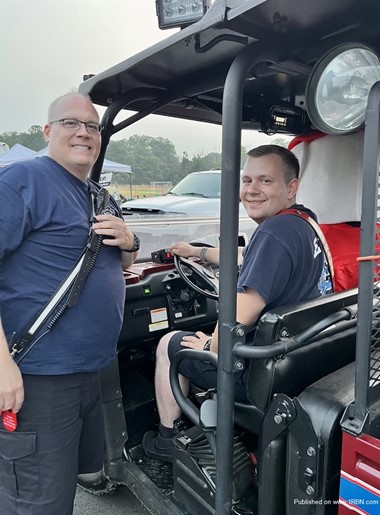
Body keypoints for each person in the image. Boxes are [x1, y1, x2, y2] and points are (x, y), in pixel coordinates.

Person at [142, 144, 332, 462]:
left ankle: (167, 439)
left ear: (291, 187)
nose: (251, 190)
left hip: (259, 375)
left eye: (265, 181)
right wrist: (198, 253)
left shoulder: (274, 233)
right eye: (246, 181)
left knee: (167, 344)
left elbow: (236, 320)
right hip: (296, 363)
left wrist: (208, 347)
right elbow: (248, 257)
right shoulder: (303, 224)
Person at [0, 91, 138, 514]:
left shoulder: (99, 196)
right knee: (36, 501)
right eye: (70, 123)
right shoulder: (21, 182)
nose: (83, 132)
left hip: (89, 373)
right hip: (38, 378)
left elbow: (121, 260)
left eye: (92, 126)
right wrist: (2, 365)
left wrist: (130, 241)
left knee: (62, 487)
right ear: (47, 131)